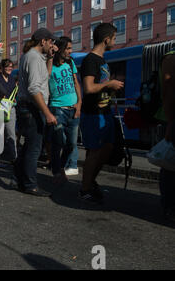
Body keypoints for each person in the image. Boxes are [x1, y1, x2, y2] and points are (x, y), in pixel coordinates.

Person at [79, 23, 124, 204]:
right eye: (114, 38)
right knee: (94, 152)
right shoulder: (91, 60)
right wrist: (109, 84)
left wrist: (112, 89)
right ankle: (84, 189)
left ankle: (90, 182)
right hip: (93, 114)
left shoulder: (103, 61)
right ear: (106, 39)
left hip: (104, 112)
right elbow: (89, 88)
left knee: (107, 149)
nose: (115, 41)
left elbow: (100, 87)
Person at [14, 28, 59, 197]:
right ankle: (30, 184)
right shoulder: (33, 57)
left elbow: (45, 76)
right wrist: (47, 113)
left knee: (29, 146)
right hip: (31, 107)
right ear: (43, 41)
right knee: (34, 148)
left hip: (29, 107)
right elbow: (34, 88)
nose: (53, 45)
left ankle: (20, 178)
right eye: (51, 42)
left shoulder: (36, 57)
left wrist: (50, 58)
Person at [46, 36, 83, 184]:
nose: (70, 51)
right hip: (57, 108)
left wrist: (79, 103)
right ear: (60, 49)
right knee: (58, 142)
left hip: (73, 109)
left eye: (71, 48)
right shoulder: (50, 64)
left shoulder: (70, 63)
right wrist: (50, 55)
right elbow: (46, 76)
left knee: (71, 144)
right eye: (67, 48)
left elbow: (76, 83)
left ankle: (61, 166)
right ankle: (57, 171)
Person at [158, 45, 175, 222]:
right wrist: (171, 121)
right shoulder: (171, 58)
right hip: (173, 118)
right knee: (171, 164)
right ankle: (169, 206)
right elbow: (168, 90)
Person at [0, 59, 18, 162]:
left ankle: (14, 157)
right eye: (7, 66)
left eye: (11, 66)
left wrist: (14, 98)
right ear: (2, 68)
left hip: (11, 108)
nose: (10, 68)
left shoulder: (12, 78)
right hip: (0, 108)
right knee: (1, 132)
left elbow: (14, 91)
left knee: (11, 132)